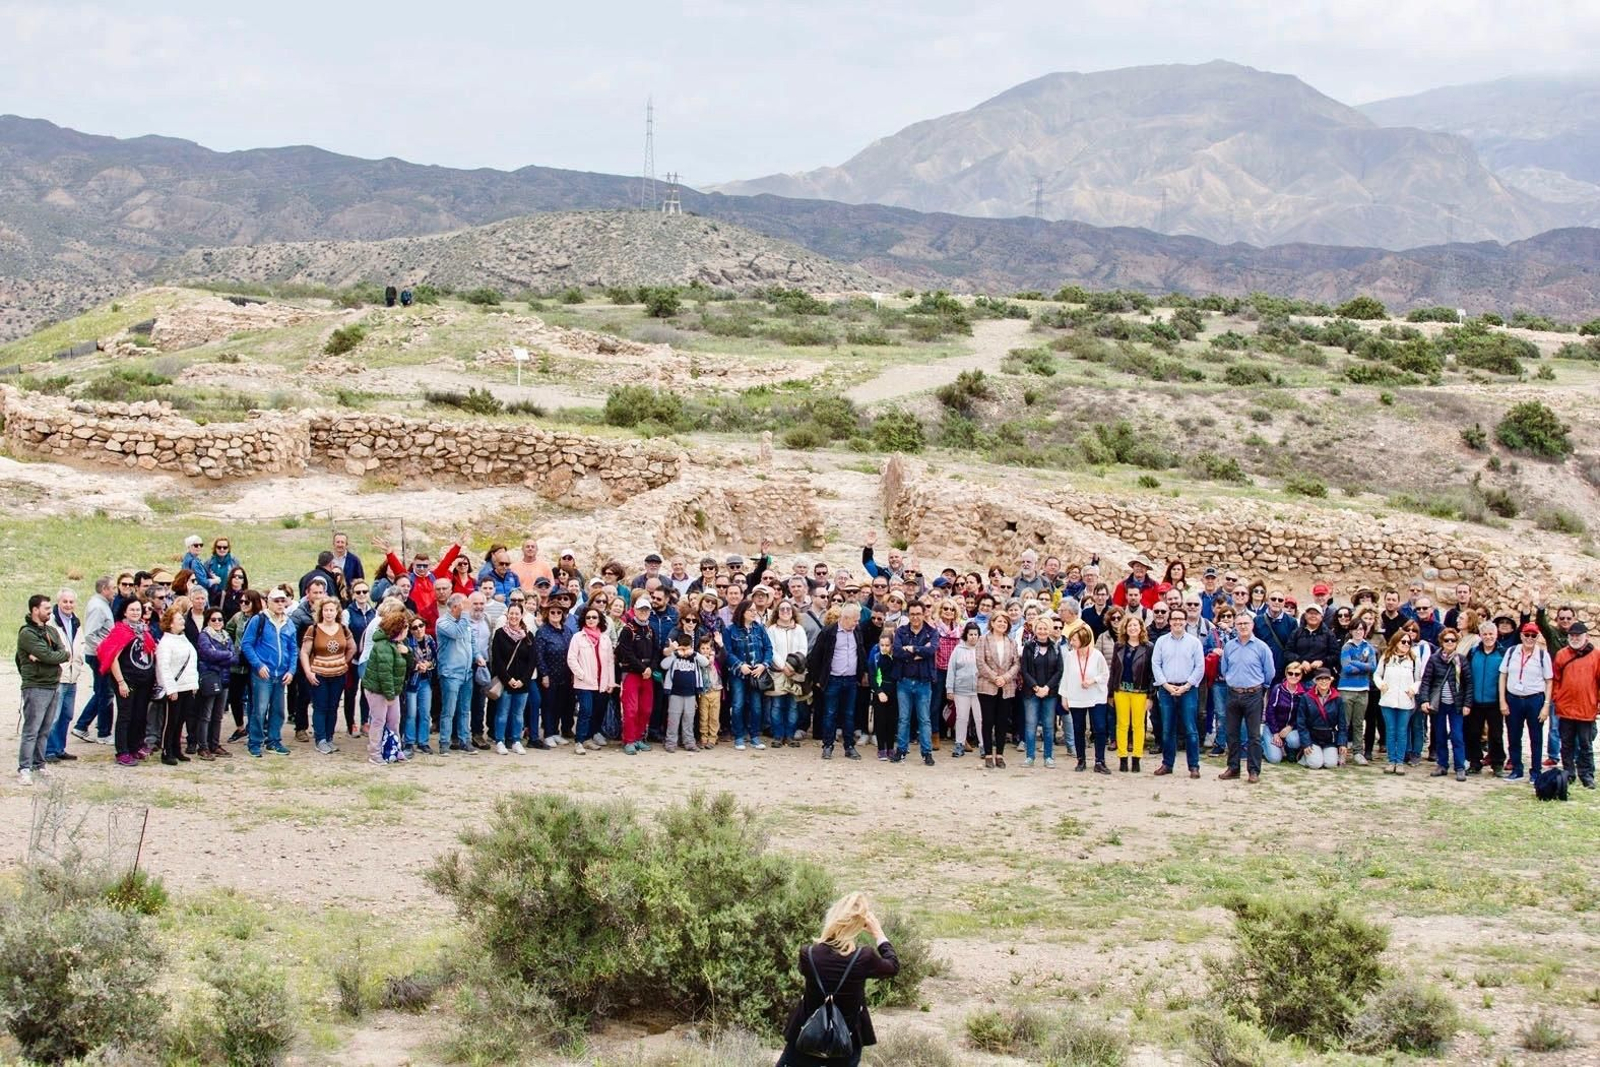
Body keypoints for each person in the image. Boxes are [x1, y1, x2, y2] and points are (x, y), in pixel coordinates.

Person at [776, 892, 899, 1067]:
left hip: (806, 1036)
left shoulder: (808, 954)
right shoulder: (863, 957)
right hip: (846, 1039)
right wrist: (878, 933)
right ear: (859, 924)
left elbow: (814, 963)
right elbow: (893, 966)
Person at [16, 595, 69, 785]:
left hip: (53, 684)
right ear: (35, 610)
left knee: (45, 729)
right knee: (32, 729)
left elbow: (64, 653)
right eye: (46, 608)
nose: (49, 611)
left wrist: (49, 656)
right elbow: (48, 654)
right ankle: (24, 768)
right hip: (36, 686)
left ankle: (39, 764)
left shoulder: (52, 631)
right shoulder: (27, 634)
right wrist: (50, 656)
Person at [240, 588, 297, 757]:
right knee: (260, 708)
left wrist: (292, 670)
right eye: (276, 601)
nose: (280, 604)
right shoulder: (259, 620)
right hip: (263, 673)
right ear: (269, 602)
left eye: (282, 601)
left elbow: (293, 649)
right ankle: (255, 742)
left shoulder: (289, 622)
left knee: (278, 709)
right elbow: (246, 644)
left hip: (281, 673)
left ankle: (274, 740)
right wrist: (258, 665)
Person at [1218, 612, 1274, 783]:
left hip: (1253, 695)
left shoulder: (1261, 647)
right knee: (1232, 733)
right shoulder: (1229, 647)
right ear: (1235, 625)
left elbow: (1269, 672)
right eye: (1239, 623)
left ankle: (1253, 770)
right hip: (1233, 693)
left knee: (1254, 735)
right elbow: (1224, 669)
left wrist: (1260, 688)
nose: (1243, 626)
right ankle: (1233, 767)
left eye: (1246, 623)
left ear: (1252, 625)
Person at [807, 608, 867, 762]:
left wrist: (863, 672)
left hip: (851, 679)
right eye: (855, 620)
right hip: (833, 679)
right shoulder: (828, 632)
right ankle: (828, 745)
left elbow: (860, 651)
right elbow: (815, 656)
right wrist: (818, 679)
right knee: (830, 713)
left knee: (849, 714)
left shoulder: (856, 631)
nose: (857, 623)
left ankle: (849, 746)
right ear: (845, 618)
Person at [1151, 606, 1204, 779]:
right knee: (1167, 729)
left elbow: (1200, 667)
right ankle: (1167, 764)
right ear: (1169, 621)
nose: (1178, 622)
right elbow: (1156, 664)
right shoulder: (1161, 642)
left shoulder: (1194, 642)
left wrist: (1186, 686)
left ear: (1185, 621)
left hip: (1187, 690)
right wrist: (1165, 685)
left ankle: (1194, 766)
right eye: (1174, 619)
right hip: (1167, 690)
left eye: (1181, 619)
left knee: (1190, 729)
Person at [1499, 622, 1553, 783]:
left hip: (1534, 699)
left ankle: (1535, 771)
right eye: (1527, 635)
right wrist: (1502, 700)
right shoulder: (1511, 652)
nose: (1529, 638)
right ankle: (1517, 768)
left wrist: (1546, 705)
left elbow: (1549, 681)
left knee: (1536, 737)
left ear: (1537, 637)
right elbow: (1503, 676)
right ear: (1521, 635)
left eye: (1533, 635)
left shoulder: (1543, 655)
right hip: (1513, 698)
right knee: (1513, 735)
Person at [300, 597, 354, 755]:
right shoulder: (314, 629)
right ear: (321, 612)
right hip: (319, 674)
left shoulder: (343, 628)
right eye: (326, 610)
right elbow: (304, 652)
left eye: (332, 610)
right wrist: (308, 671)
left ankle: (329, 737)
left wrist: (344, 662)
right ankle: (320, 739)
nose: (329, 613)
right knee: (320, 706)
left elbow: (352, 647)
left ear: (337, 611)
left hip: (338, 675)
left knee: (333, 706)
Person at [1551, 621, 1598, 790]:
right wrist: (1557, 697)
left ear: (1586, 636)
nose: (1575, 638)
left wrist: (1597, 703)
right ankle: (1569, 772)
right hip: (1565, 708)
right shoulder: (1562, 654)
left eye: (1578, 635)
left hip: (1586, 708)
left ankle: (1587, 774)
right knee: (1567, 743)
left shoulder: (1596, 655)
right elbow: (1555, 679)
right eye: (1572, 635)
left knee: (1586, 744)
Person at [1059, 623, 1111, 774]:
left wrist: (1093, 680)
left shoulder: (1097, 655)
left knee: (1100, 728)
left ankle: (1100, 761)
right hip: (1076, 697)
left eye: (1074, 640)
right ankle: (1081, 759)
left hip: (1096, 696)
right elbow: (1066, 677)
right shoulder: (1070, 656)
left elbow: (1105, 674)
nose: (1072, 643)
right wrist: (1064, 697)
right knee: (1078, 728)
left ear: (1084, 639)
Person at [1419, 627, 1470, 780]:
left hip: (1456, 704)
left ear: (1457, 642)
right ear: (1441, 642)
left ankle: (1460, 766)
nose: (1449, 643)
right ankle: (1442, 764)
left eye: (1452, 640)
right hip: (1439, 704)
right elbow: (1426, 680)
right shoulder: (1434, 659)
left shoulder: (1461, 660)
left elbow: (1468, 683)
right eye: (1446, 640)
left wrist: (1467, 704)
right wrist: (1424, 700)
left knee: (1457, 736)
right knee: (1439, 735)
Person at [892, 601, 937, 766]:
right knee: (903, 719)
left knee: (924, 719)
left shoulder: (931, 632)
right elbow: (896, 651)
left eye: (918, 614)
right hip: (903, 682)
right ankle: (901, 751)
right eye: (912, 614)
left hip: (923, 683)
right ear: (908, 615)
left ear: (924, 613)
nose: (915, 617)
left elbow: (931, 650)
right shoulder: (901, 631)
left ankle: (927, 753)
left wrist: (911, 648)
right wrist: (919, 651)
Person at [566, 604, 616, 755]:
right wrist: (581, 675)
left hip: (602, 682)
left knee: (597, 711)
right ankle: (579, 741)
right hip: (584, 683)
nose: (591, 620)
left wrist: (611, 681)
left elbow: (609, 662)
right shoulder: (578, 637)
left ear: (599, 619)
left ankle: (589, 738)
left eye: (594, 617)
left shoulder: (605, 639)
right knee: (585, 711)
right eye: (588, 617)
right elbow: (571, 658)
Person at [154, 605, 200, 766]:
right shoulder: (166, 643)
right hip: (174, 687)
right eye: (179, 619)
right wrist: (170, 688)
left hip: (187, 686)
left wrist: (193, 683)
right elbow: (163, 667)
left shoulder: (183, 638)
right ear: (171, 623)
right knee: (171, 721)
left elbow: (192, 662)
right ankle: (167, 751)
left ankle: (176, 749)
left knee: (181, 720)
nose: (183, 621)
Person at [1108, 615, 1153, 774]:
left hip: (1140, 691)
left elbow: (1150, 674)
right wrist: (1110, 692)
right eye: (1129, 626)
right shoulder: (1119, 646)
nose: (1133, 628)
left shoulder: (1148, 647)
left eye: (1136, 625)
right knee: (1122, 724)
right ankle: (1122, 757)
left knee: (1139, 726)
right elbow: (1113, 670)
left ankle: (1136, 758)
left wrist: (1150, 696)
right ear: (1125, 629)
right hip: (1121, 690)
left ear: (1141, 628)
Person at [363, 612, 409, 764]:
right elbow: (385, 674)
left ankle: (394, 749)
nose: (407, 630)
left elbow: (408, 663)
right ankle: (375, 753)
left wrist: (407, 652)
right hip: (378, 690)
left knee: (394, 720)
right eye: (405, 627)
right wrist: (389, 696)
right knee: (379, 720)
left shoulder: (398, 644)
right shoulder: (383, 646)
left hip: (392, 690)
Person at [43, 588, 83, 764]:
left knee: (67, 715)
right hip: (58, 676)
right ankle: (48, 750)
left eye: (71, 602)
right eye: (65, 601)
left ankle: (60, 748)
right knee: (54, 716)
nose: (68, 605)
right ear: (58, 602)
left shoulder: (76, 622)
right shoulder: (51, 623)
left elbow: (79, 645)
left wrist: (79, 663)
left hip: (73, 676)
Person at [976, 609, 1019, 770]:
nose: (1002, 624)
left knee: (1002, 722)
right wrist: (995, 677)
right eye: (999, 621)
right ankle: (988, 754)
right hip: (987, 685)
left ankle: (999, 754)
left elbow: (1016, 664)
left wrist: (1005, 678)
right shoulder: (983, 640)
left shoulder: (1011, 641)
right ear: (992, 623)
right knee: (987, 721)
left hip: (1006, 686)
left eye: (1005, 622)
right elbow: (980, 662)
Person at [490, 602, 535, 755]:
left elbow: (532, 661)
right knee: (502, 713)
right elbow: (497, 660)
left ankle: (516, 740)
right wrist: (508, 679)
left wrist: (523, 680)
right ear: (507, 615)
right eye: (511, 613)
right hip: (505, 681)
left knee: (518, 713)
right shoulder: (500, 634)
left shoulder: (528, 636)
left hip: (522, 682)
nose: (514, 616)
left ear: (521, 615)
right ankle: (500, 741)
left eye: (517, 613)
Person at [1375, 631, 1422, 775]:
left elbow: (1418, 679)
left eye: (1409, 642)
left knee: (1402, 732)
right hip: (1388, 699)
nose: (1406, 645)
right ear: (1395, 642)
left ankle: (1400, 761)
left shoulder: (1414, 659)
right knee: (1391, 731)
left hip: (1405, 700)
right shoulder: (1387, 657)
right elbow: (1377, 674)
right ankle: (1391, 760)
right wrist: (1381, 684)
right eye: (1403, 642)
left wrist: (1413, 689)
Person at [616, 594, 658, 755]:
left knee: (646, 709)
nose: (644, 612)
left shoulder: (650, 630)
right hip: (632, 673)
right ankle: (629, 740)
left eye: (646, 609)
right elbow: (626, 653)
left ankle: (640, 738)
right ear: (634, 610)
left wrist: (651, 668)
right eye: (641, 609)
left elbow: (656, 651)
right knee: (631, 709)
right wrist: (642, 669)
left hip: (647, 675)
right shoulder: (628, 630)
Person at [1464, 620, 1507, 776]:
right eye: (1485, 634)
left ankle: (1497, 763)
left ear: (1496, 635)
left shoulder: (1503, 653)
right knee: (1473, 733)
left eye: (1491, 634)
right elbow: (1466, 675)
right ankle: (1475, 762)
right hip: (1475, 701)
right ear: (1480, 636)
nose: (1488, 637)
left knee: (1495, 735)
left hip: (1494, 701)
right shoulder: (1474, 652)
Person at [1020, 615, 1063, 768]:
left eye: (1045, 628)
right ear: (1035, 629)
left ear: (1049, 629)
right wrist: (1036, 687)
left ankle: (1048, 756)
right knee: (1030, 724)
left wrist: (1047, 688)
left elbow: (1059, 671)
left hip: (1049, 693)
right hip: (1031, 693)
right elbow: (1024, 670)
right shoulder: (1028, 647)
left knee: (1049, 725)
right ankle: (1030, 756)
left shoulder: (1055, 648)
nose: (1043, 631)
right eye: (1040, 628)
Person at [195, 607, 237, 759]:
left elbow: (235, 658)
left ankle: (214, 744)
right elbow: (208, 654)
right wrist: (226, 655)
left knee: (218, 715)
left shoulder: (226, 636)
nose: (217, 622)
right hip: (210, 678)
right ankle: (203, 746)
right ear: (208, 621)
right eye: (214, 619)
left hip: (224, 679)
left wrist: (221, 657)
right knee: (205, 714)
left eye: (220, 619)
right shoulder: (204, 636)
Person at [1294, 667, 1347, 769]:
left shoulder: (1338, 698)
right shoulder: (1306, 697)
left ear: (1331, 680)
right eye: (1320, 679)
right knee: (1316, 764)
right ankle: (1304, 756)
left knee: (1331, 764)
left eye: (1326, 678)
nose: (1323, 681)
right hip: (1312, 737)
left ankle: (1324, 754)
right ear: (1315, 681)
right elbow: (1301, 723)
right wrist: (1306, 743)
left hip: (1329, 738)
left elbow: (1342, 724)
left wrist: (1342, 743)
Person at [945, 621, 982, 759]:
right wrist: (950, 689)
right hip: (961, 689)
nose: (973, 637)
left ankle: (983, 745)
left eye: (975, 634)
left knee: (980, 719)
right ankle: (959, 744)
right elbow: (951, 670)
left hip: (979, 690)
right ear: (966, 635)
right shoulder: (958, 650)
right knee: (961, 718)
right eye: (970, 634)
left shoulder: (982, 649)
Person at [1262, 662, 1306, 765]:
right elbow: (1270, 711)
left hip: (1291, 729)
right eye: (1290, 673)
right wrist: (1276, 733)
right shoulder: (1278, 689)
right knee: (1275, 759)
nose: (1293, 676)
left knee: (1294, 741)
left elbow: (1302, 715)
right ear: (1286, 674)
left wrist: (1291, 727)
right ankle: (1263, 743)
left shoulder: (1303, 693)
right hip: (1273, 727)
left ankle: (1288, 748)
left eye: (1297, 674)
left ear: (1301, 676)